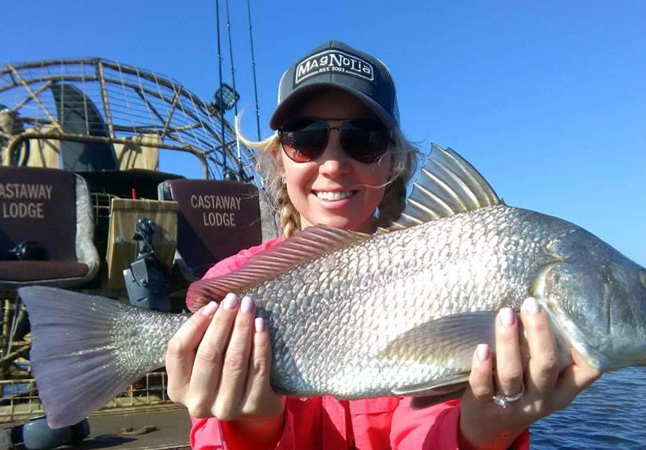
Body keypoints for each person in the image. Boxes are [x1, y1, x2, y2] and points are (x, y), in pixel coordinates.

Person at [165, 41, 601, 450]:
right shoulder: (229, 284)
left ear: (394, 159)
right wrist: (251, 427)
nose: (333, 163)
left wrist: (487, 428)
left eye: (363, 139)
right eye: (305, 138)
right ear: (278, 159)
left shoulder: (452, 272)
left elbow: (425, 426)